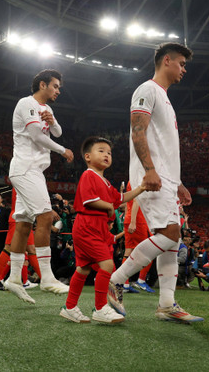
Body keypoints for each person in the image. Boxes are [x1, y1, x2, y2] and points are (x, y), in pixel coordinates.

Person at [108, 42, 203, 323]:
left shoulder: (165, 98)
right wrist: (149, 169)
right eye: (182, 64)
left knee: (172, 244)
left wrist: (179, 182)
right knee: (170, 235)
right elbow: (138, 130)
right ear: (166, 61)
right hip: (152, 178)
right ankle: (116, 280)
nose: (184, 69)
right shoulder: (147, 89)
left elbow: (164, 147)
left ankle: (166, 304)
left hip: (167, 179)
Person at [60, 137, 147, 323]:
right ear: (88, 157)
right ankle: (100, 308)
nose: (107, 154)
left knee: (83, 268)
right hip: (88, 226)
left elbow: (121, 198)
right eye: (101, 151)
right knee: (107, 266)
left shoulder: (105, 181)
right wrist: (108, 207)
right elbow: (88, 201)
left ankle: (69, 306)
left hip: (94, 228)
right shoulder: (88, 175)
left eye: (109, 152)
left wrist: (141, 188)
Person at [5, 69, 74, 304]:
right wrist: (61, 150)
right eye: (55, 86)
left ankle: (14, 278)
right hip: (26, 169)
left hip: (33, 170)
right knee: (45, 218)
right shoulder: (26, 103)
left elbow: (58, 131)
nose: (58, 90)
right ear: (42, 85)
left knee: (23, 225)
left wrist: (52, 121)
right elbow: (35, 134)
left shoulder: (47, 108)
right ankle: (46, 277)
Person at [122, 182, 155, 293]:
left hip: (131, 218)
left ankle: (124, 284)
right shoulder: (139, 178)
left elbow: (128, 202)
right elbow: (137, 201)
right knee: (151, 249)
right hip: (138, 221)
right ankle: (141, 280)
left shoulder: (130, 180)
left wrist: (128, 219)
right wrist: (133, 221)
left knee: (128, 252)